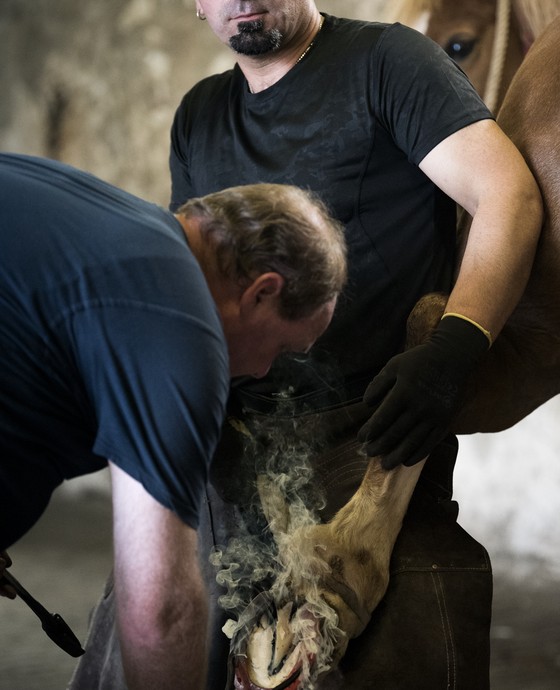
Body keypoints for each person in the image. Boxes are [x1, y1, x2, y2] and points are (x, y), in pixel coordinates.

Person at [74, 2, 544, 688]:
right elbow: (190, 279)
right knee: (151, 636)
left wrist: (456, 346)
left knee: (406, 638)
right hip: (228, 436)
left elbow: (508, 196)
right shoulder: (200, 113)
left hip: (375, 431)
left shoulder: (389, 63)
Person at [0, 152, 346, 690]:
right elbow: (159, 611)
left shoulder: (116, 225)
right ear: (263, 292)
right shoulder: (180, 327)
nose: (261, 371)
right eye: (280, 349)